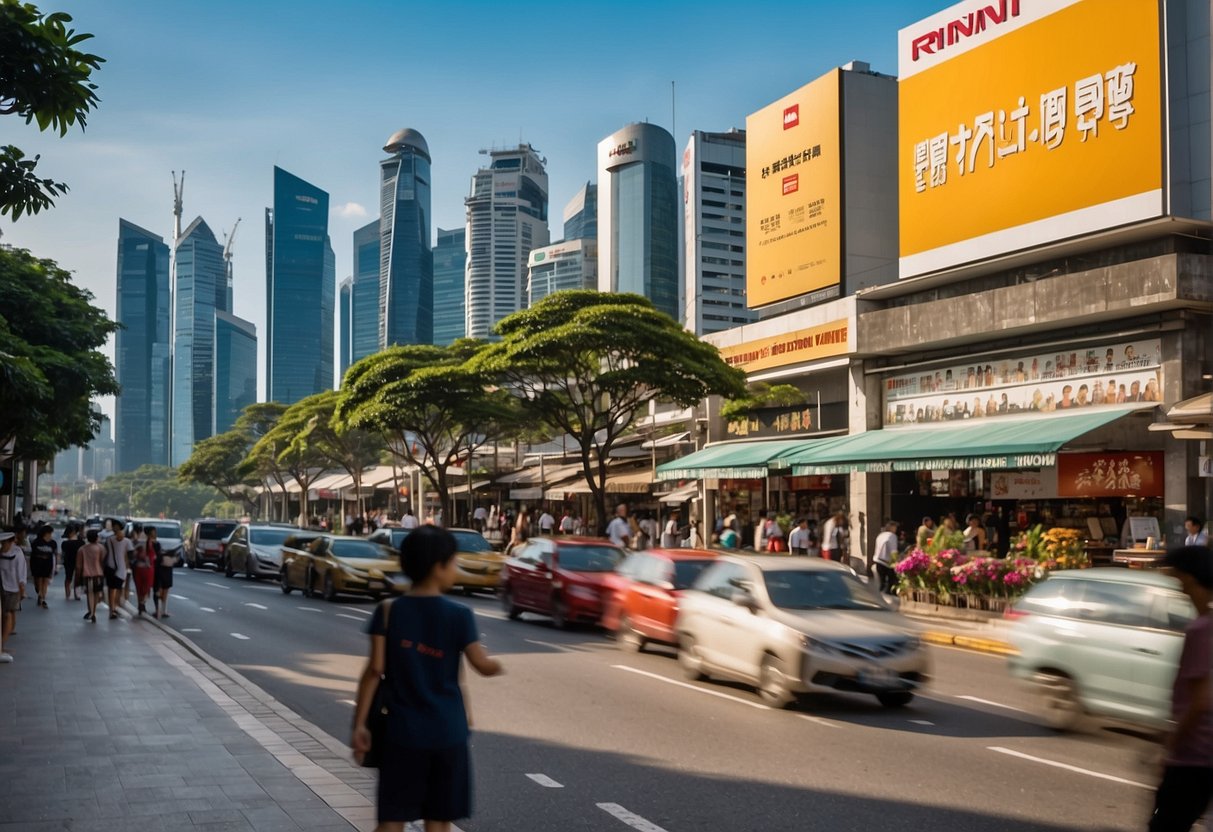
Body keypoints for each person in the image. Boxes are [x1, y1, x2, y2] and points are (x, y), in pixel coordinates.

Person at [352, 526, 504, 832]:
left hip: (401, 732)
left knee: (392, 819)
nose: (456, 569)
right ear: (438, 567)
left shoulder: (388, 611)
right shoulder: (460, 615)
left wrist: (360, 724)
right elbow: (480, 665)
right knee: (438, 819)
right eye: (454, 562)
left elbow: (374, 670)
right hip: (447, 732)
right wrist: (497, 665)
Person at [1149, 546, 1213, 831]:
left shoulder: (1201, 630)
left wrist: (1173, 742)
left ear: (1189, 577)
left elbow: (1201, 700)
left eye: (1177, 576)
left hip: (1194, 756)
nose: (1176, 584)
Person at [0, 531, 27, 662]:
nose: (2, 545)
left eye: (4, 543)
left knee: (8, 615)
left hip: (12, 588)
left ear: (11, 542)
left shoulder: (17, 553)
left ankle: (2, 646)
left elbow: (21, 573)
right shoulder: (1, 553)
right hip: (2, 588)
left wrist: (22, 590)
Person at [103, 524, 133, 620]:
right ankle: (114, 608)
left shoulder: (108, 540)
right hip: (120, 569)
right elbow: (130, 556)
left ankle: (112, 609)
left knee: (112, 589)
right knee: (117, 589)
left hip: (111, 567)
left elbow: (105, 553)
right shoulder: (127, 541)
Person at [29, 524, 58, 609]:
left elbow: (55, 554)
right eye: (49, 533)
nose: (50, 535)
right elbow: (33, 553)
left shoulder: (53, 543)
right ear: (45, 533)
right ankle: (39, 593)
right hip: (37, 563)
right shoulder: (36, 542)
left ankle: (42, 598)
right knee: (38, 580)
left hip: (48, 564)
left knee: (45, 580)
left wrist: (55, 566)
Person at [78, 529, 104, 623]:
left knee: (90, 594)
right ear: (96, 537)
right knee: (96, 593)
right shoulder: (101, 548)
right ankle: (94, 611)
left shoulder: (82, 549)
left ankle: (91, 612)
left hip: (87, 575)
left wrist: (78, 577)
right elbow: (103, 561)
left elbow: (78, 565)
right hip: (99, 574)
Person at [131, 524, 156, 617]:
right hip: (147, 568)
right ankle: (142, 603)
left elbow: (132, 553)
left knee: (139, 588)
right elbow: (153, 555)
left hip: (138, 567)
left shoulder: (135, 541)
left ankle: (140, 605)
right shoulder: (151, 542)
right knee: (146, 587)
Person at [872, 520, 900, 595]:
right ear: (891, 527)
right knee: (891, 582)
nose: (896, 529)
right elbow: (893, 550)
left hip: (878, 561)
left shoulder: (880, 535)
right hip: (887, 562)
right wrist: (897, 561)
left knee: (882, 583)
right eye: (895, 527)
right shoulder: (892, 536)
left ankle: (881, 596)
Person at [60, 524, 83, 601]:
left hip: (68, 561)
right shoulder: (81, 542)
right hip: (78, 561)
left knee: (68, 577)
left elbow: (63, 553)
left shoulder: (65, 543)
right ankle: (77, 594)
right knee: (78, 577)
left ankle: (68, 593)